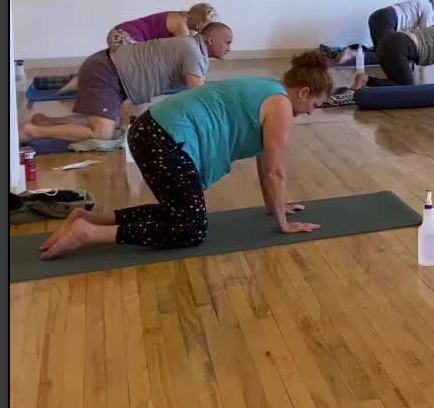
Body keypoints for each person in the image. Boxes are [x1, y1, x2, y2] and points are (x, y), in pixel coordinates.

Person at [35, 51, 335, 260]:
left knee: (178, 212)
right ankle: (88, 234)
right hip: (164, 139)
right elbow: (275, 171)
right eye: (314, 105)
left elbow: (264, 162)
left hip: (150, 131)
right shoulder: (281, 105)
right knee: (190, 229)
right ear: (304, 92)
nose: (310, 113)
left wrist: (275, 208)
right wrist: (283, 225)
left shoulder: (268, 89)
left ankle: (89, 219)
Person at [19, 23, 234, 144]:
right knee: (103, 133)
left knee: (109, 123)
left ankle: (45, 121)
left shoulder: (193, 48)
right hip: (106, 72)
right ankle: (32, 132)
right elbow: (198, 94)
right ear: (211, 40)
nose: (230, 48)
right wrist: (226, 122)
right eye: (227, 42)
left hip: (108, 70)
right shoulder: (193, 51)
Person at [58, 3, 219, 93]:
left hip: (120, 33)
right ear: (198, 23)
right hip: (124, 36)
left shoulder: (181, 17)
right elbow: (188, 51)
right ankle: (82, 82)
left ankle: (80, 79)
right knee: (127, 70)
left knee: (114, 67)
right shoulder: (181, 24)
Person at [350, 10, 434, 92]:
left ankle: (365, 80)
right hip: (398, 45)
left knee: (398, 82)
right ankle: (367, 80)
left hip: (388, 42)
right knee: (407, 88)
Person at [332, 0, 434, 66]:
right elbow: (427, 34)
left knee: (380, 52)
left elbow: (416, 31)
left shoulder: (422, 3)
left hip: (378, 16)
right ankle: (352, 54)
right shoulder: (429, 9)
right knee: (387, 55)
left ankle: (349, 52)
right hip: (387, 19)